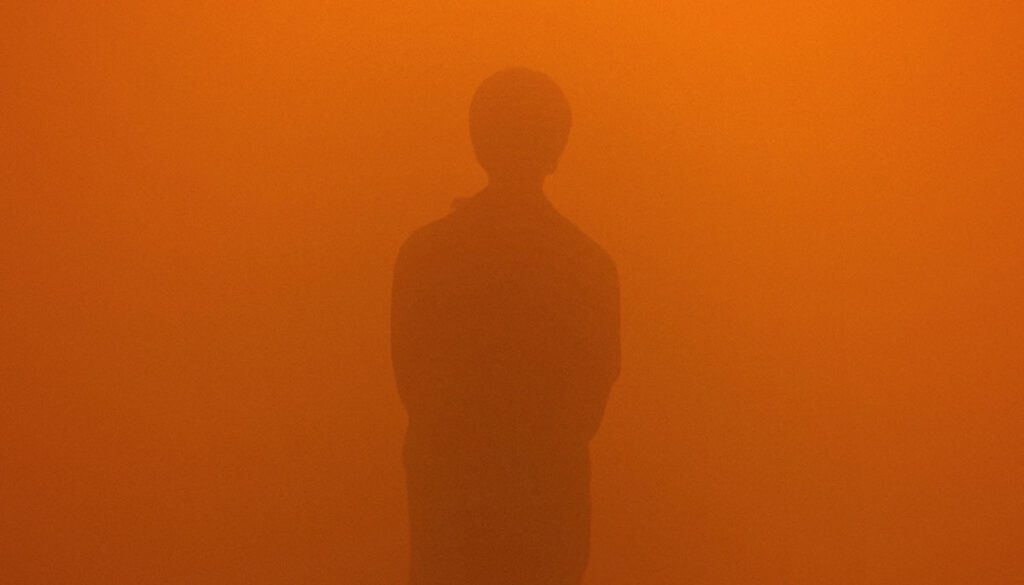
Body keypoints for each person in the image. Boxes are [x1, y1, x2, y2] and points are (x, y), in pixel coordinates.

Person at [391, 68, 620, 585]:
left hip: (449, 514)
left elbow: (413, 384)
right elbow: (590, 402)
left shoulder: (424, 256)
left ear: (478, 142)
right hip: (549, 517)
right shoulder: (590, 266)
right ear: (557, 147)